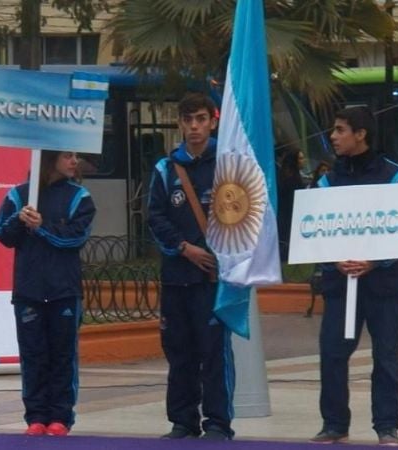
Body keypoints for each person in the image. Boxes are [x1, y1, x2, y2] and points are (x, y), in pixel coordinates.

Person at [310, 106, 398, 446]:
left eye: (340, 130)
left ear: (361, 134)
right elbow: (316, 230)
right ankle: (334, 422)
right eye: (333, 130)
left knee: (385, 354)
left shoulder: (395, 177)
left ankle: (387, 425)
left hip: (382, 286)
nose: (333, 137)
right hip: (340, 285)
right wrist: (334, 259)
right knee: (333, 353)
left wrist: (375, 261)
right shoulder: (327, 180)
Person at [147, 92, 235, 441]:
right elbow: (154, 216)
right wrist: (184, 249)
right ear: (180, 124)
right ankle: (183, 420)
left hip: (215, 278)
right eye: (188, 120)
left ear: (212, 121)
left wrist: (217, 255)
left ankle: (217, 423)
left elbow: (246, 216)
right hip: (177, 276)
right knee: (179, 351)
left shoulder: (229, 164)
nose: (195, 127)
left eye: (201, 119)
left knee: (213, 353)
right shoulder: (166, 169)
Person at [0, 150, 96, 437]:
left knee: (62, 356)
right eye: (67, 156)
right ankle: (35, 417)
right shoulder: (19, 195)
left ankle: (61, 417)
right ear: (49, 159)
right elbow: (1, 233)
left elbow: (75, 237)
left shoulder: (80, 197)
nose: (74, 161)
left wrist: (41, 227)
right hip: (29, 291)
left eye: (76, 156)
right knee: (33, 355)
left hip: (64, 291)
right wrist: (19, 219)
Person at [277, 150, 307, 261]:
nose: (303, 161)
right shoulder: (292, 179)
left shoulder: (288, 177)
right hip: (289, 217)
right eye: (300, 158)